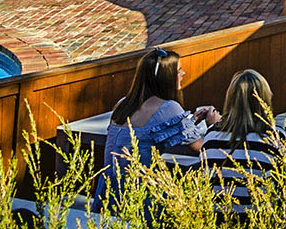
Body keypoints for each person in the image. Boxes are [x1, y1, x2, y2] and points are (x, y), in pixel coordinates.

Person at [101, 48, 216, 203]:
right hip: (140, 195)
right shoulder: (168, 108)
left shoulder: (122, 104)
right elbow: (203, 150)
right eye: (179, 70)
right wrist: (212, 125)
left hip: (108, 194)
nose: (183, 74)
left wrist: (189, 123)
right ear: (166, 77)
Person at [200, 69, 276, 214]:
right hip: (261, 223)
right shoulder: (274, 139)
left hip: (218, 223)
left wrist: (214, 125)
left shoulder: (211, 137)